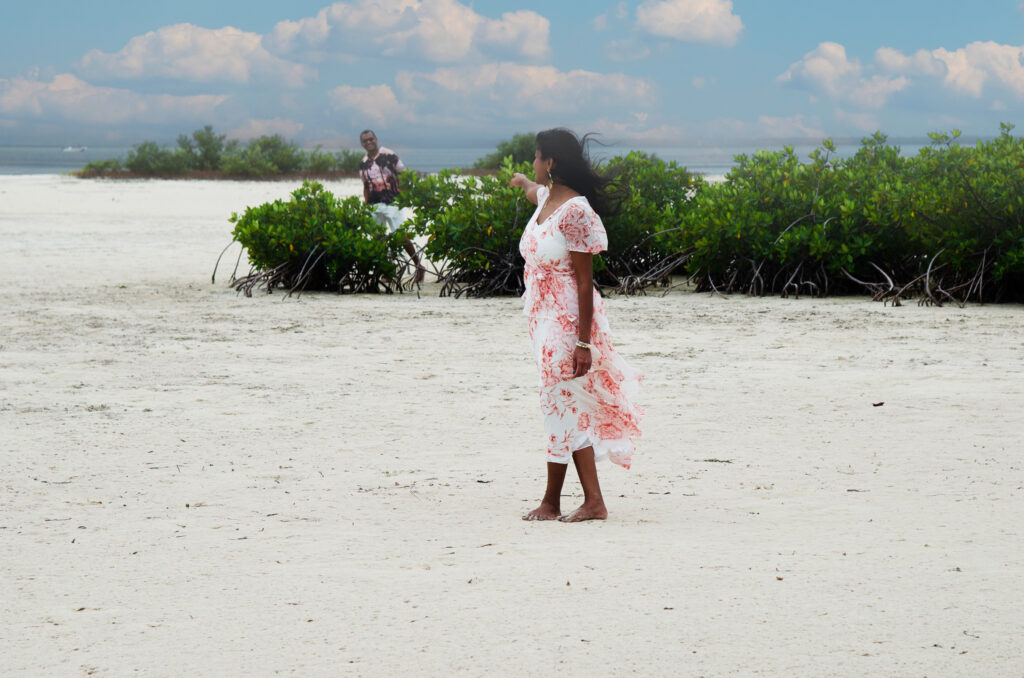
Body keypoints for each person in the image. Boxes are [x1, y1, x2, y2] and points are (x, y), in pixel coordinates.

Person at [510, 128, 643, 523]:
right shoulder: (548, 198)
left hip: (566, 323)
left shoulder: (577, 211)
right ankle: (581, 500)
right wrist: (522, 183)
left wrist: (583, 343)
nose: (531, 165)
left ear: (550, 162)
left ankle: (563, 501)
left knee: (558, 404)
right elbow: (534, 193)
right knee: (560, 404)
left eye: (535, 158)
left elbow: (585, 282)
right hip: (539, 319)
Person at [358, 129, 424, 282]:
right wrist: (366, 206)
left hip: (393, 202)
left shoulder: (389, 155)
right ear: (361, 144)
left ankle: (419, 266)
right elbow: (366, 186)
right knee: (378, 239)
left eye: (371, 139)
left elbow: (404, 174)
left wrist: (405, 196)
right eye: (365, 141)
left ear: (376, 139)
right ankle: (387, 272)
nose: (369, 142)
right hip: (374, 204)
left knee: (400, 236)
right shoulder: (363, 163)